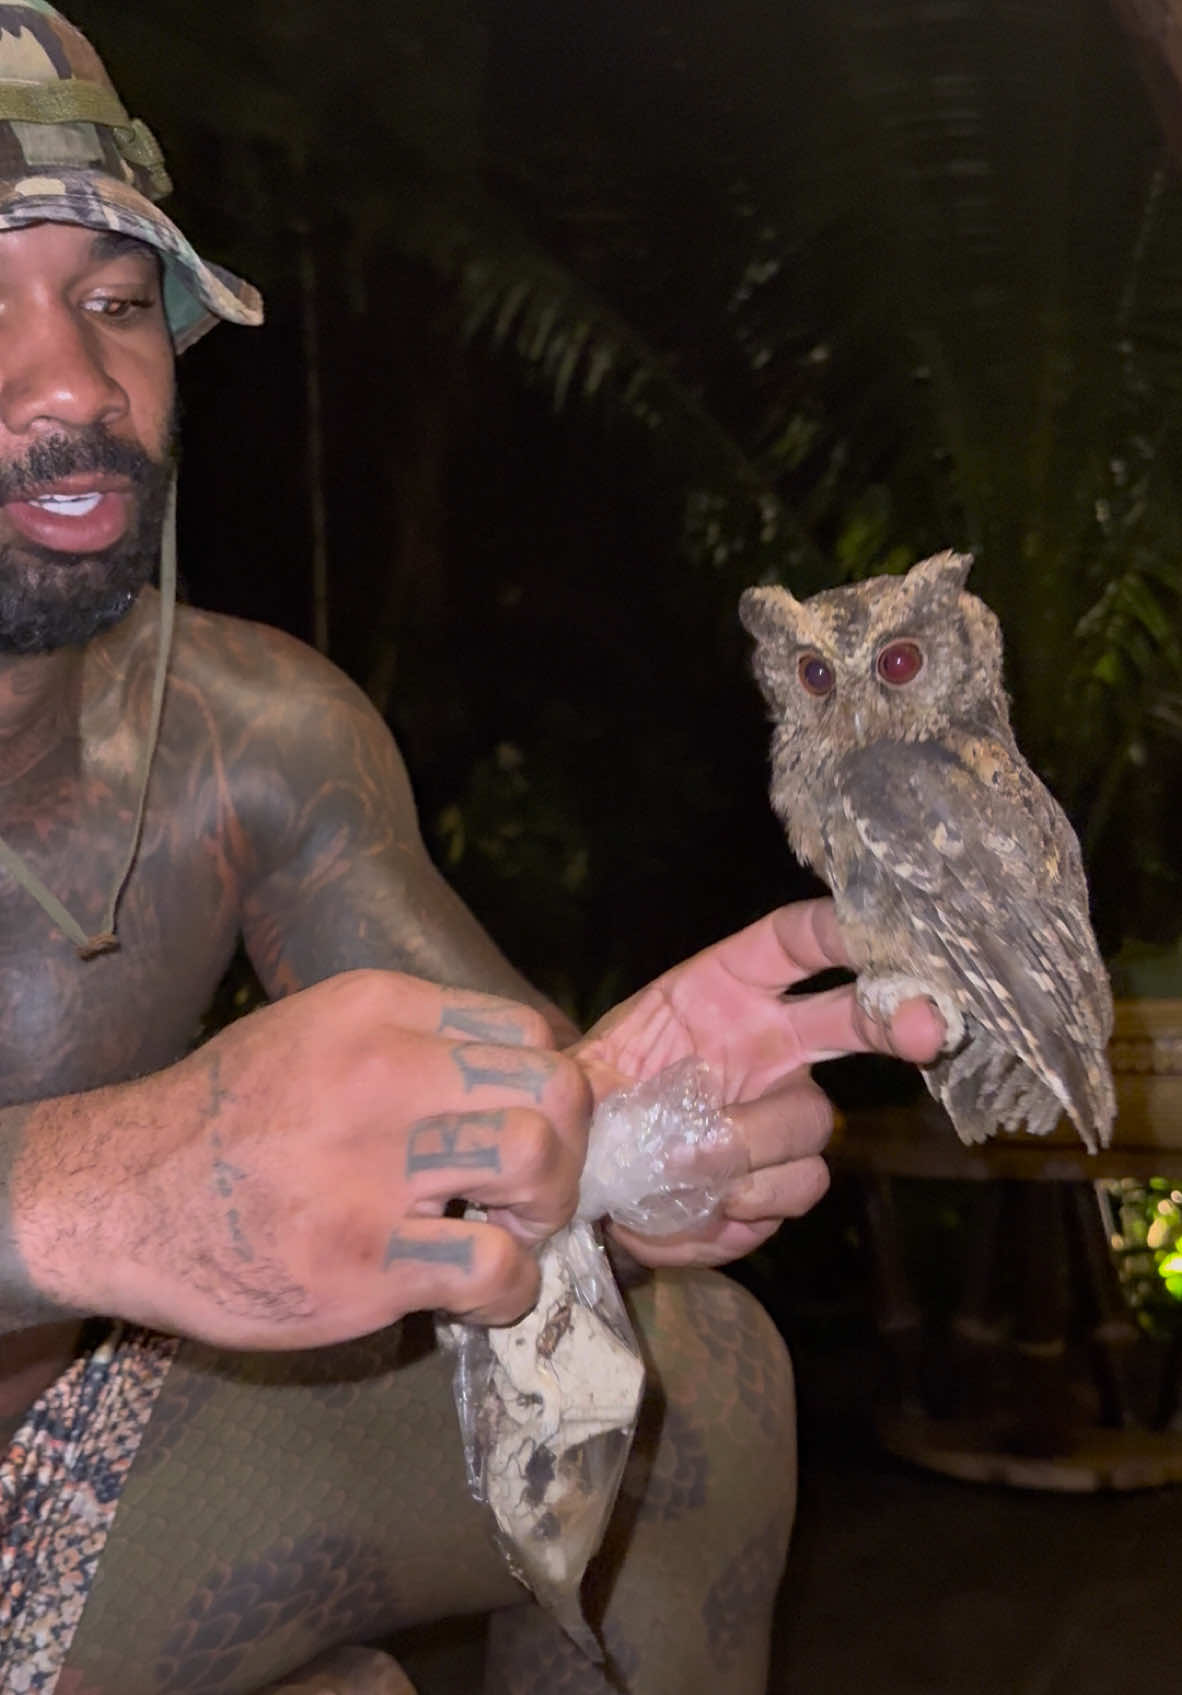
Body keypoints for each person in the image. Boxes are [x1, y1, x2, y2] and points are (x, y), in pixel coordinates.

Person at [0, 6, 944, 1692]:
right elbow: (105, 1191)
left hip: (53, 1507)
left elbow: (527, 1156)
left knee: (686, 1370)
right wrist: (82, 1191)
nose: (73, 380)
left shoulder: (252, 739)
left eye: (114, 298)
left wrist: (615, 1132)